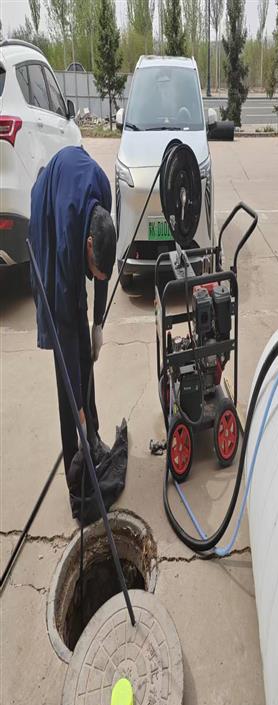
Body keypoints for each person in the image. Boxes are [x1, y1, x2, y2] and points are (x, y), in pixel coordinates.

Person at [29, 146, 116, 483]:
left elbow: (102, 274)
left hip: (74, 189)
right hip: (48, 209)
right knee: (66, 334)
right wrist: (77, 408)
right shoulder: (67, 244)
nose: (95, 277)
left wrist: (98, 324)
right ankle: (76, 467)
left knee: (84, 350)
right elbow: (64, 331)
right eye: (91, 270)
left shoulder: (103, 196)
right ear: (88, 245)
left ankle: (93, 437)